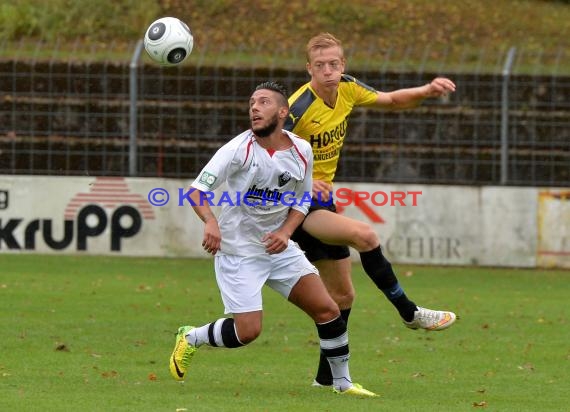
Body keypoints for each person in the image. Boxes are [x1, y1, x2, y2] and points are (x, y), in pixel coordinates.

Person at [169, 81, 377, 397]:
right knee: (248, 332)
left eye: (263, 102)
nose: (254, 107)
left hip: (279, 249)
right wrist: (211, 221)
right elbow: (197, 191)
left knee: (328, 311)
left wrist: (285, 232)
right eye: (252, 102)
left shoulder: (301, 151)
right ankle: (191, 337)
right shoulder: (236, 150)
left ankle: (343, 384)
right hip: (239, 253)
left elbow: (302, 200)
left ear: (282, 112)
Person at [283, 33, 458, 387]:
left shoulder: (347, 88)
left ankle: (325, 380)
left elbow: (391, 99)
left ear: (343, 65)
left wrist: (426, 91)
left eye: (334, 64)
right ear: (309, 69)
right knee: (365, 235)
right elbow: (263, 151)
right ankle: (409, 313)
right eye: (320, 66)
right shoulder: (298, 106)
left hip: (320, 201)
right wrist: (301, 181)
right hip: (293, 204)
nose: (328, 71)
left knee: (342, 297)